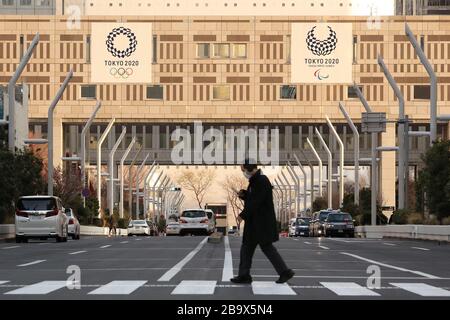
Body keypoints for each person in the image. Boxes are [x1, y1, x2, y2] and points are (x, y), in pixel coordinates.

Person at [230, 159, 295, 284]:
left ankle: (285, 272)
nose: (243, 172)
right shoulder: (255, 181)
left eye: (243, 170)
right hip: (254, 223)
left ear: (250, 168)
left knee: (267, 248)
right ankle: (244, 275)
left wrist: (242, 215)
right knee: (247, 249)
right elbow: (253, 199)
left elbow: (256, 202)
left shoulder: (261, 181)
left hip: (261, 223)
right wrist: (244, 195)